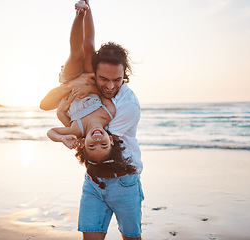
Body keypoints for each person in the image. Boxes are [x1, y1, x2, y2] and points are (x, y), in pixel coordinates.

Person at [40, 9, 143, 240]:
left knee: (131, 238)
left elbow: (102, 138)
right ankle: (82, 10)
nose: (109, 86)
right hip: (93, 179)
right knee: (82, 48)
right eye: (103, 79)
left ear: (124, 74)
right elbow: (89, 44)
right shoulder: (104, 101)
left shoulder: (127, 106)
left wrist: (65, 121)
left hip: (124, 180)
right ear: (95, 73)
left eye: (116, 80)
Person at [47, 0, 137, 190]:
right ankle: (86, 7)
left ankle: (78, 14)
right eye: (103, 145)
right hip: (88, 79)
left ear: (83, 143)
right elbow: (103, 96)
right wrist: (90, 88)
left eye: (92, 146)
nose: (97, 141)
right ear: (109, 140)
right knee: (88, 46)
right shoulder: (109, 113)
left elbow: (51, 132)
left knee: (76, 52)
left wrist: (63, 137)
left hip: (71, 81)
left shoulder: (76, 130)